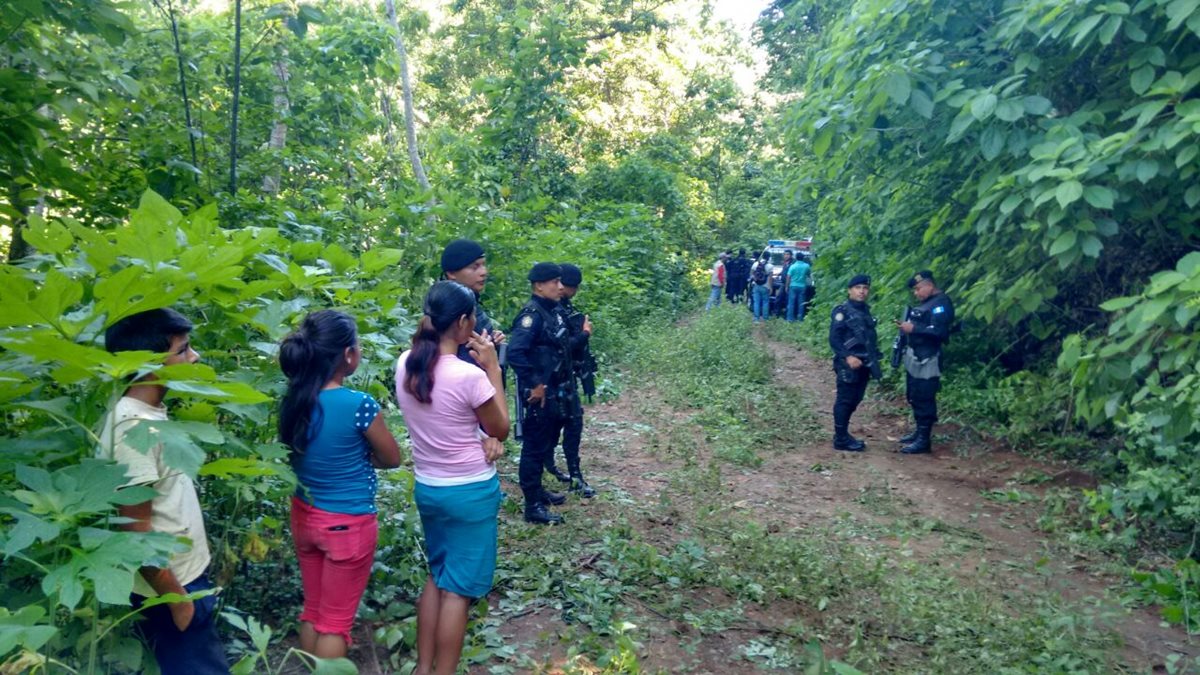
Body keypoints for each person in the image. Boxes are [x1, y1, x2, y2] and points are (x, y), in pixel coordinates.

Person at [98, 308, 230, 675]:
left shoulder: (149, 412)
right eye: (183, 350)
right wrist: (178, 601)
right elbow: (134, 531)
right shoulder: (132, 427)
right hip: (171, 588)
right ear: (150, 362)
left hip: (185, 579)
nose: (194, 356)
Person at [394, 281, 508, 675]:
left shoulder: (406, 364)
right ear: (462, 323)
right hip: (470, 492)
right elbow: (502, 426)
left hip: (429, 487)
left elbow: (448, 423)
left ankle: (423, 668)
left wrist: (483, 437)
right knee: (458, 590)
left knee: (437, 574)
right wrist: (492, 367)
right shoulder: (467, 376)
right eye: (472, 316)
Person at [279, 310, 402, 658]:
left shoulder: (294, 401)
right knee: (335, 622)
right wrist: (366, 459)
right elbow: (392, 458)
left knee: (313, 609)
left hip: (305, 516)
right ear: (348, 355)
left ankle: (309, 665)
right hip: (348, 524)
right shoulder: (358, 405)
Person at [507, 262, 574, 524]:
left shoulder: (553, 311)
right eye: (554, 282)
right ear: (538, 285)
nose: (560, 287)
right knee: (534, 449)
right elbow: (515, 352)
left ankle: (539, 492)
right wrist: (534, 383)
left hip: (555, 390)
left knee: (546, 443)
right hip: (538, 394)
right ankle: (532, 505)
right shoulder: (531, 316)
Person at [540, 263, 597, 497]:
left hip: (564, 378)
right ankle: (563, 471)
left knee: (570, 424)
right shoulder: (550, 312)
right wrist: (584, 334)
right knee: (562, 425)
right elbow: (562, 349)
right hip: (551, 380)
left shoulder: (562, 309)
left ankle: (568, 472)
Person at [896, 270, 955, 454]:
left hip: (928, 357)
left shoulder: (941, 303)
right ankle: (918, 432)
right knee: (913, 394)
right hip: (915, 355)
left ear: (930, 285)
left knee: (924, 396)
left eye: (918, 289)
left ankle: (924, 439)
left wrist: (914, 328)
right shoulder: (926, 303)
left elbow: (940, 332)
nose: (916, 293)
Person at [829, 275, 882, 451]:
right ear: (849, 290)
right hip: (848, 363)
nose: (862, 291)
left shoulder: (865, 310)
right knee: (845, 399)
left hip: (864, 362)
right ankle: (841, 438)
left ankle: (842, 434)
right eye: (858, 287)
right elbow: (834, 339)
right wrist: (848, 357)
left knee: (855, 399)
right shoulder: (842, 311)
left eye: (865, 288)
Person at [440, 239, 506, 367]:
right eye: (474, 267)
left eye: (483, 265)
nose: (483, 272)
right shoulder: (447, 310)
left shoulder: (470, 303)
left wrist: (492, 342)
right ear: (451, 273)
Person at [785, 253, 812, 322]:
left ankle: (790, 318)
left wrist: (786, 286)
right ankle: (800, 318)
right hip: (802, 286)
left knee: (791, 303)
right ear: (803, 258)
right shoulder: (806, 266)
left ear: (796, 258)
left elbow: (788, 277)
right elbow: (809, 275)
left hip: (793, 286)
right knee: (801, 303)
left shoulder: (792, 266)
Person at [749, 253, 771, 323]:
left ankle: (756, 318)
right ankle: (765, 318)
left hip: (756, 285)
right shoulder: (770, 266)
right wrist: (770, 287)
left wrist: (755, 279)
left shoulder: (756, 264)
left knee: (756, 302)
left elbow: (751, 273)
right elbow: (770, 278)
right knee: (765, 302)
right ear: (768, 257)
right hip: (765, 285)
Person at [771, 250, 793, 318]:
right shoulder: (785, 263)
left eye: (788, 254)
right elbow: (783, 272)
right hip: (783, 283)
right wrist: (777, 274)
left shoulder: (792, 264)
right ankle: (776, 313)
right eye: (785, 254)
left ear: (791, 255)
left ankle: (786, 314)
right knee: (778, 298)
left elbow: (789, 274)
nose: (786, 256)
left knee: (787, 300)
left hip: (789, 284)